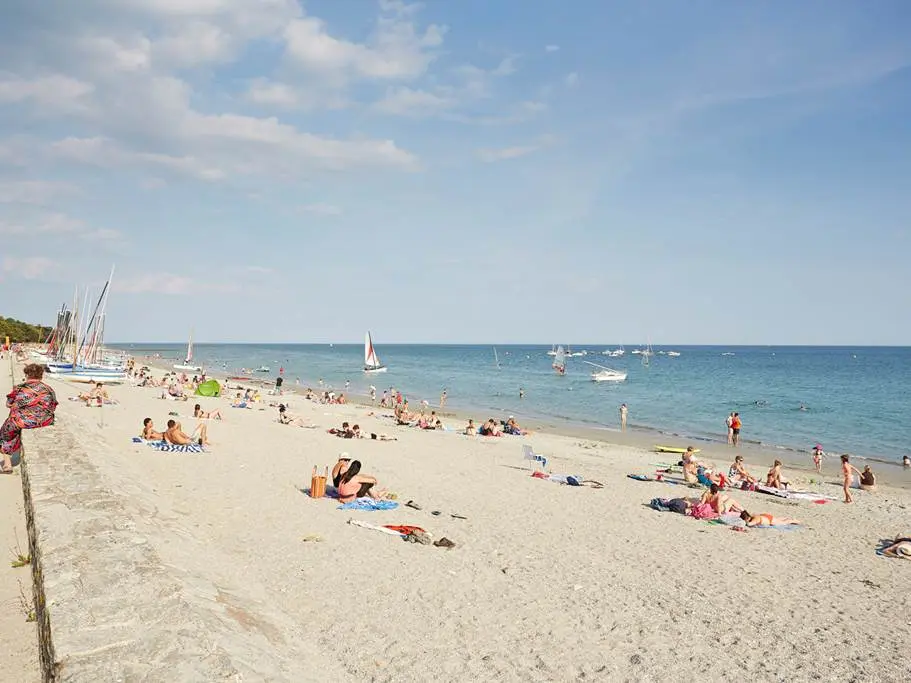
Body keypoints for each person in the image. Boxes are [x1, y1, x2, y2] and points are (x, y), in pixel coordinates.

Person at [1, 363, 58, 473]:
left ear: (27, 375)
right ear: (41, 375)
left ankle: (7, 465)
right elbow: (53, 404)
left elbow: (9, 403)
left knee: (6, 431)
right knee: (16, 419)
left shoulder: (20, 388)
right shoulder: (48, 389)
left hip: (25, 421)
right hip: (45, 420)